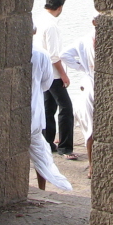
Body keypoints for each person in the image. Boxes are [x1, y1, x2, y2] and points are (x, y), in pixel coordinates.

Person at [35, 0, 76, 159]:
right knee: (66, 108)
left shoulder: (38, 19)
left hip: (42, 72)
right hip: (53, 74)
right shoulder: (51, 25)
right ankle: (65, 147)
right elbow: (54, 55)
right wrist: (64, 75)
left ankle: (48, 142)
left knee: (48, 108)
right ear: (59, 7)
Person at [29, 46, 72, 192]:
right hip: (34, 111)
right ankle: (42, 189)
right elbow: (46, 84)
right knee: (40, 154)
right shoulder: (41, 54)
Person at [60, 22, 95, 177]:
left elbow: (64, 55)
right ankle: (92, 165)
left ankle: (92, 166)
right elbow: (63, 55)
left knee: (91, 128)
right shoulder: (86, 41)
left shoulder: (85, 40)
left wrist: (82, 67)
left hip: (90, 83)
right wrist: (83, 67)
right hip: (91, 85)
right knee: (90, 130)